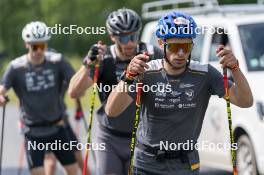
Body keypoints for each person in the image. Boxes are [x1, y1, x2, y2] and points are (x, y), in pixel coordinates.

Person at [105, 11, 253, 175]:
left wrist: (235, 68)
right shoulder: (146, 72)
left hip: (185, 165)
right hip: (147, 164)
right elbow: (112, 110)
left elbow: (245, 101)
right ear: (161, 43)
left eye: (186, 47)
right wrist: (128, 77)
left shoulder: (206, 74)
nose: (181, 53)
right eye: (175, 47)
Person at [68, 8, 163, 175]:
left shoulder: (152, 54)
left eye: (133, 36)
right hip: (109, 138)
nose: (130, 43)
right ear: (113, 37)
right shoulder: (104, 59)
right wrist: (88, 64)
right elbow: (74, 93)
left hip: (142, 138)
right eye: (124, 38)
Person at [0, 21, 79, 175]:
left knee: (72, 170)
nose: (38, 50)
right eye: (34, 46)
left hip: (57, 127)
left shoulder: (57, 61)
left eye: (42, 45)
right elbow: (2, 89)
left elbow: (76, 81)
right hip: (33, 131)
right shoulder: (16, 67)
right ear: (26, 45)